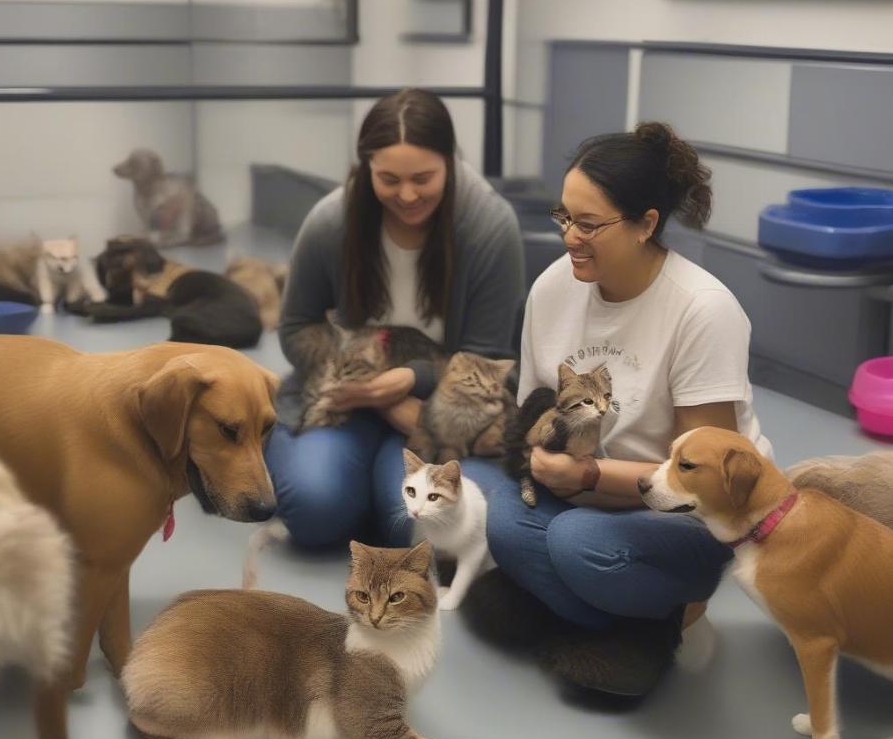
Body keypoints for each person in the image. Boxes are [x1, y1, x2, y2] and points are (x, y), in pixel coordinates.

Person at [479, 122, 773, 698]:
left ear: (646, 225)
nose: (570, 238)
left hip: (684, 514)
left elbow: (708, 484)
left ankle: (666, 614)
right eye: (564, 217)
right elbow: (534, 414)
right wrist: (538, 460)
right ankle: (623, 626)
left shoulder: (703, 311)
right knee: (504, 521)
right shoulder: (551, 289)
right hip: (582, 496)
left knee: (575, 544)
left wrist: (590, 474)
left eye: (589, 224)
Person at [267, 88, 524, 549]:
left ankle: (363, 489)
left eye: (423, 178)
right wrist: (368, 388)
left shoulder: (489, 227)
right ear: (366, 168)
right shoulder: (332, 221)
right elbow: (295, 327)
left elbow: (484, 357)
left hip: (436, 408)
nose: (407, 195)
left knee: (420, 528)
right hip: (346, 399)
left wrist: (412, 379)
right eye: (388, 179)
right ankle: (333, 475)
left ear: (450, 161)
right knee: (315, 509)